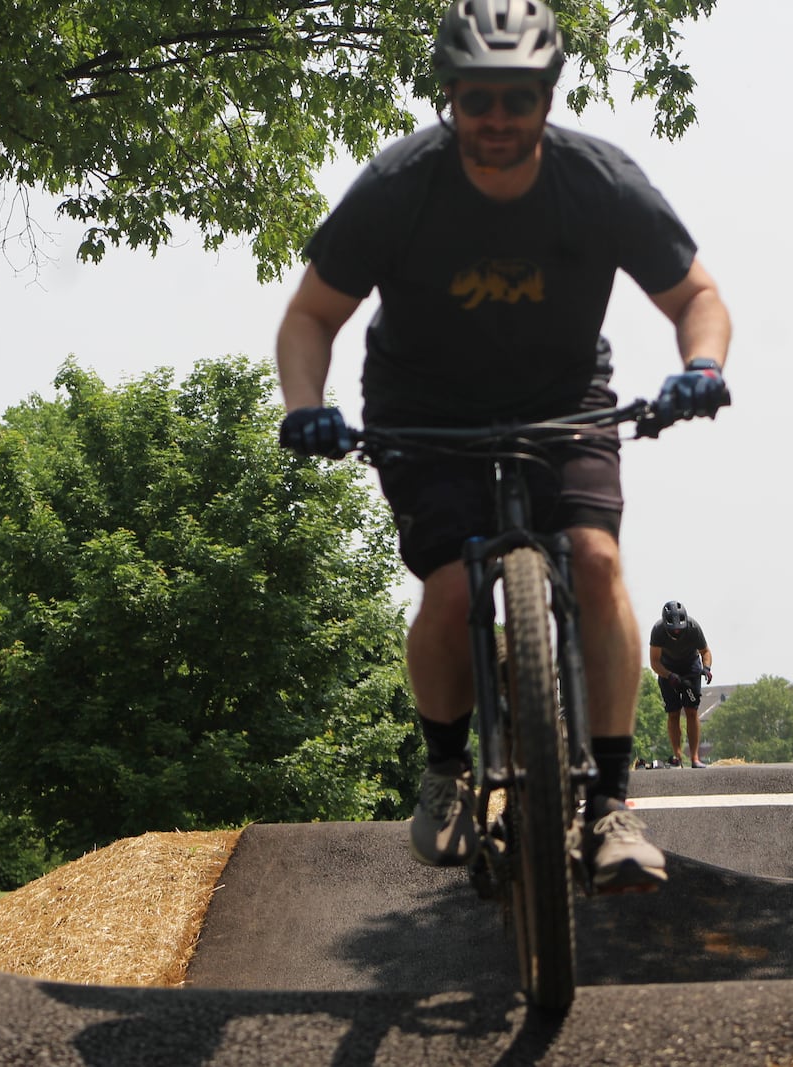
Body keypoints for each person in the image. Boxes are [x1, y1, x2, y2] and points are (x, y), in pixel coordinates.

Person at [274, 0, 731, 893]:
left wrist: (701, 366)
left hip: (563, 400)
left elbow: (696, 298)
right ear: (450, 96)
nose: (495, 119)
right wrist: (305, 405)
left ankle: (610, 803)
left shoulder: (597, 180)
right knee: (449, 591)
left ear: (547, 98)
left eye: (515, 99)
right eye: (476, 98)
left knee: (596, 563)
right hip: (423, 406)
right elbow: (310, 317)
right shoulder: (401, 185)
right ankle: (446, 772)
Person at [649, 600, 712, 768]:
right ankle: (678, 757)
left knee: (691, 711)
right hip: (666, 669)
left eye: (679, 629)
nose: (677, 632)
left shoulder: (693, 628)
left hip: (690, 667)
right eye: (673, 630)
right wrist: (669, 676)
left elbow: (705, 651)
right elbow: (654, 662)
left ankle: (695, 758)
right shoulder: (658, 631)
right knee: (673, 712)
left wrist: (706, 668)